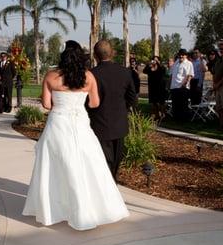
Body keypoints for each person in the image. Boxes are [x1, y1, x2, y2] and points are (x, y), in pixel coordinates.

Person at [22, 43, 129, 231]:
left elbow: (47, 105)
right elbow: (95, 103)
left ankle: (56, 209)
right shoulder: (88, 77)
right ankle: (90, 207)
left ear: (63, 57)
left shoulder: (50, 76)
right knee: (87, 163)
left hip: (58, 123)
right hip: (80, 124)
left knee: (55, 165)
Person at [87, 40, 138, 180]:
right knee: (115, 163)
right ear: (113, 53)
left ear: (95, 56)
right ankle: (112, 188)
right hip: (119, 125)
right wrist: (123, 110)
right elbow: (132, 98)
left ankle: (108, 192)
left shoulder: (91, 75)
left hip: (99, 124)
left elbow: (87, 102)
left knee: (102, 164)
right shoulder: (125, 72)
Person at [169, 49, 194, 121]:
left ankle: (183, 120)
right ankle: (176, 119)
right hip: (174, 86)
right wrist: (169, 85)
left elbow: (190, 75)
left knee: (183, 104)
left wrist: (185, 84)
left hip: (182, 87)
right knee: (175, 104)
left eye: (183, 54)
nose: (181, 56)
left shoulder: (189, 63)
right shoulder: (176, 63)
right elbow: (171, 74)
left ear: (186, 55)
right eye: (180, 54)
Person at [143, 56, 167, 120]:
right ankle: (156, 115)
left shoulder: (161, 68)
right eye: (153, 60)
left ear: (159, 61)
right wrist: (148, 64)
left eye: (156, 60)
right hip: (152, 87)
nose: (154, 61)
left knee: (161, 102)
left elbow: (163, 70)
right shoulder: (150, 68)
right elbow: (144, 71)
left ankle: (163, 115)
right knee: (154, 102)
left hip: (160, 87)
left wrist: (158, 63)